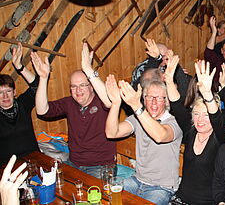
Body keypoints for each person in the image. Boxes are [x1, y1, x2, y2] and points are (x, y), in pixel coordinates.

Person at [34, 43, 117, 178]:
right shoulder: (69, 103)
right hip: (74, 163)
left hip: (101, 166)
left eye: (82, 85)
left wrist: (89, 70)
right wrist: (43, 79)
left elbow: (111, 101)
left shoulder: (101, 100)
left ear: (91, 87)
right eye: (74, 87)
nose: (78, 91)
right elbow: (42, 111)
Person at [104, 74, 182, 205]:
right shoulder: (137, 119)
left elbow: (160, 136)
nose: (154, 102)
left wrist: (136, 107)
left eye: (159, 98)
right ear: (144, 100)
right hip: (136, 180)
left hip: (162, 187)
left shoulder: (175, 122)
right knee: (107, 199)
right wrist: (116, 103)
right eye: (149, 97)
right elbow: (112, 133)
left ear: (167, 101)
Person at [167, 57, 225, 204]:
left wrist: (208, 94)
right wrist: (169, 81)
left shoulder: (219, 136)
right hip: (181, 199)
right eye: (196, 114)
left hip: (208, 201)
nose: (200, 120)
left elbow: (217, 118)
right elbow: (177, 105)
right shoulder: (190, 131)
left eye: (206, 115)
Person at [0, 43, 40, 164]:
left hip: (34, 160)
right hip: (7, 167)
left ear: (14, 92)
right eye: (0, 93)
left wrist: (19, 66)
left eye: (8, 91)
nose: (5, 96)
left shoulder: (22, 104)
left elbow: (37, 85)